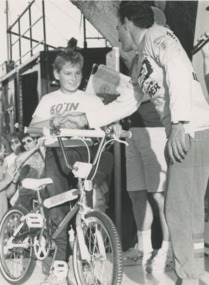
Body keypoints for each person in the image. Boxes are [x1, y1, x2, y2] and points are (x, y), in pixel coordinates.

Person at [61, 2, 209, 285]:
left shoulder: (155, 34)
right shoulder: (141, 59)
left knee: (176, 210)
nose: (117, 34)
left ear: (128, 22)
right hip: (192, 130)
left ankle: (188, 277)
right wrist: (86, 118)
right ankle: (194, 274)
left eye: (118, 26)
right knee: (186, 210)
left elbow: (178, 67)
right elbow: (127, 101)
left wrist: (178, 123)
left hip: (191, 129)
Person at [28, 44, 112, 285]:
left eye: (77, 73)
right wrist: (51, 122)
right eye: (67, 73)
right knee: (58, 214)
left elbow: (104, 124)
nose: (73, 78)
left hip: (83, 152)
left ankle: (90, 264)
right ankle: (59, 269)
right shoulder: (49, 99)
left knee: (88, 210)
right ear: (56, 74)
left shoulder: (91, 99)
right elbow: (33, 127)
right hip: (57, 154)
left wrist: (111, 127)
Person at [122, 7, 172, 273]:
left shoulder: (164, 50)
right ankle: (143, 248)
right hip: (134, 131)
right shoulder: (136, 58)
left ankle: (169, 249)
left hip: (156, 130)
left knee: (160, 195)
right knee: (136, 192)